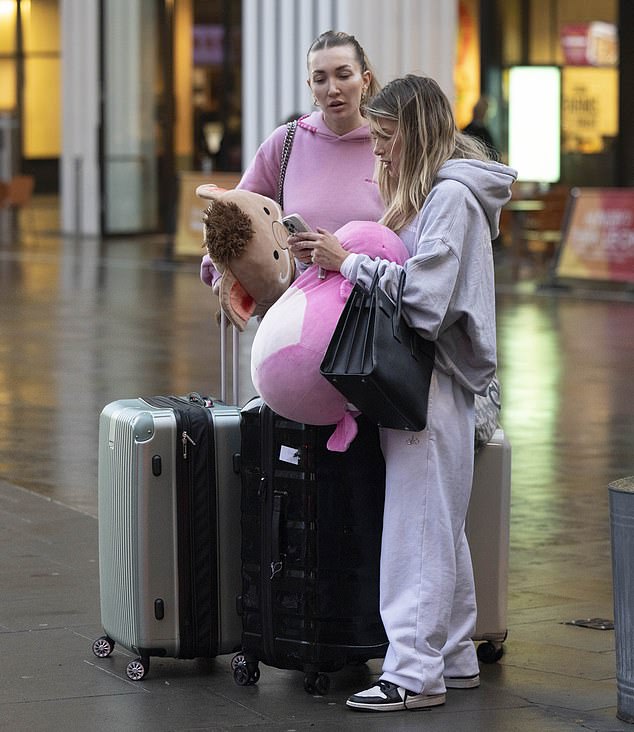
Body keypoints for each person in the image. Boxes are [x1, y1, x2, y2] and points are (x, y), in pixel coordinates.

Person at [287, 74, 517, 712]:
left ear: (413, 134)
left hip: (429, 379)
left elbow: (424, 300)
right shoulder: (446, 196)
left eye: (386, 137)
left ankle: (413, 674)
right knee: (438, 521)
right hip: (434, 381)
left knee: (416, 525)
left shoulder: (448, 200)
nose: (378, 149)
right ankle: (454, 655)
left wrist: (347, 263)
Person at [200, 30, 383, 287]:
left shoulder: (388, 144)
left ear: (365, 80)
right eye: (320, 79)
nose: (333, 89)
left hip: (370, 312)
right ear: (310, 86)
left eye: (343, 75)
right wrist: (221, 275)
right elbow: (235, 214)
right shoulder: (286, 141)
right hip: (293, 310)